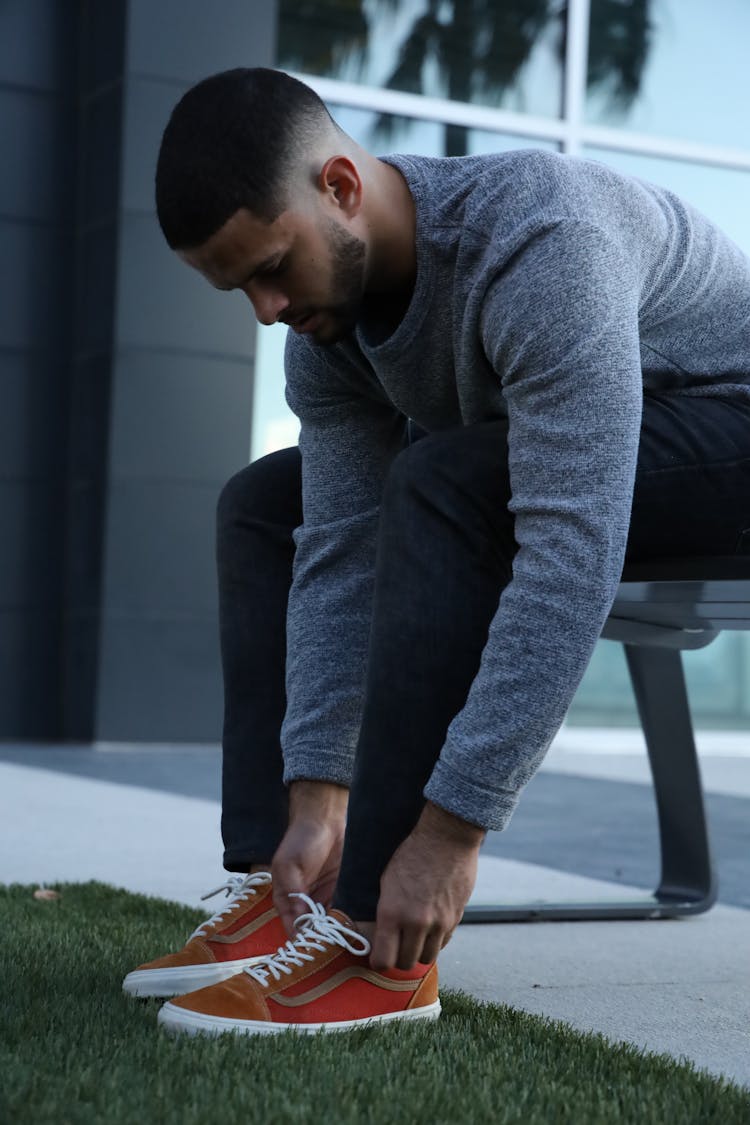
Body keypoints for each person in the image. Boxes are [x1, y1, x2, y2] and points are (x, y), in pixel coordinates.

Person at [123, 67, 750, 1036]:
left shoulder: (544, 243)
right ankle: (293, 881)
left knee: (448, 482)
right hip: (581, 450)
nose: (264, 308)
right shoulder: (325, 332)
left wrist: (449, 831)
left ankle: (374, 934)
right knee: (265, 503)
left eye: (272, 266)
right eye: (238, 284)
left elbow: (567, 550)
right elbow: (338, 551)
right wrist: (315, 789)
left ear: (339, 187)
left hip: (730, 427)